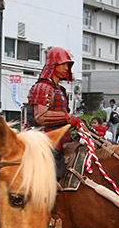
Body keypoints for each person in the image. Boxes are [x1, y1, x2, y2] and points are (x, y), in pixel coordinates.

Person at [27, 46, 87, 177]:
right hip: (46, 141)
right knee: (54, 175)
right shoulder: (42, 87)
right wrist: (68, 118)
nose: (67, 68)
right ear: (54, 64)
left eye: (68, 64)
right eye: (64, 64)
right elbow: (40, 116)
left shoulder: (60, 89)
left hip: (63, 138)